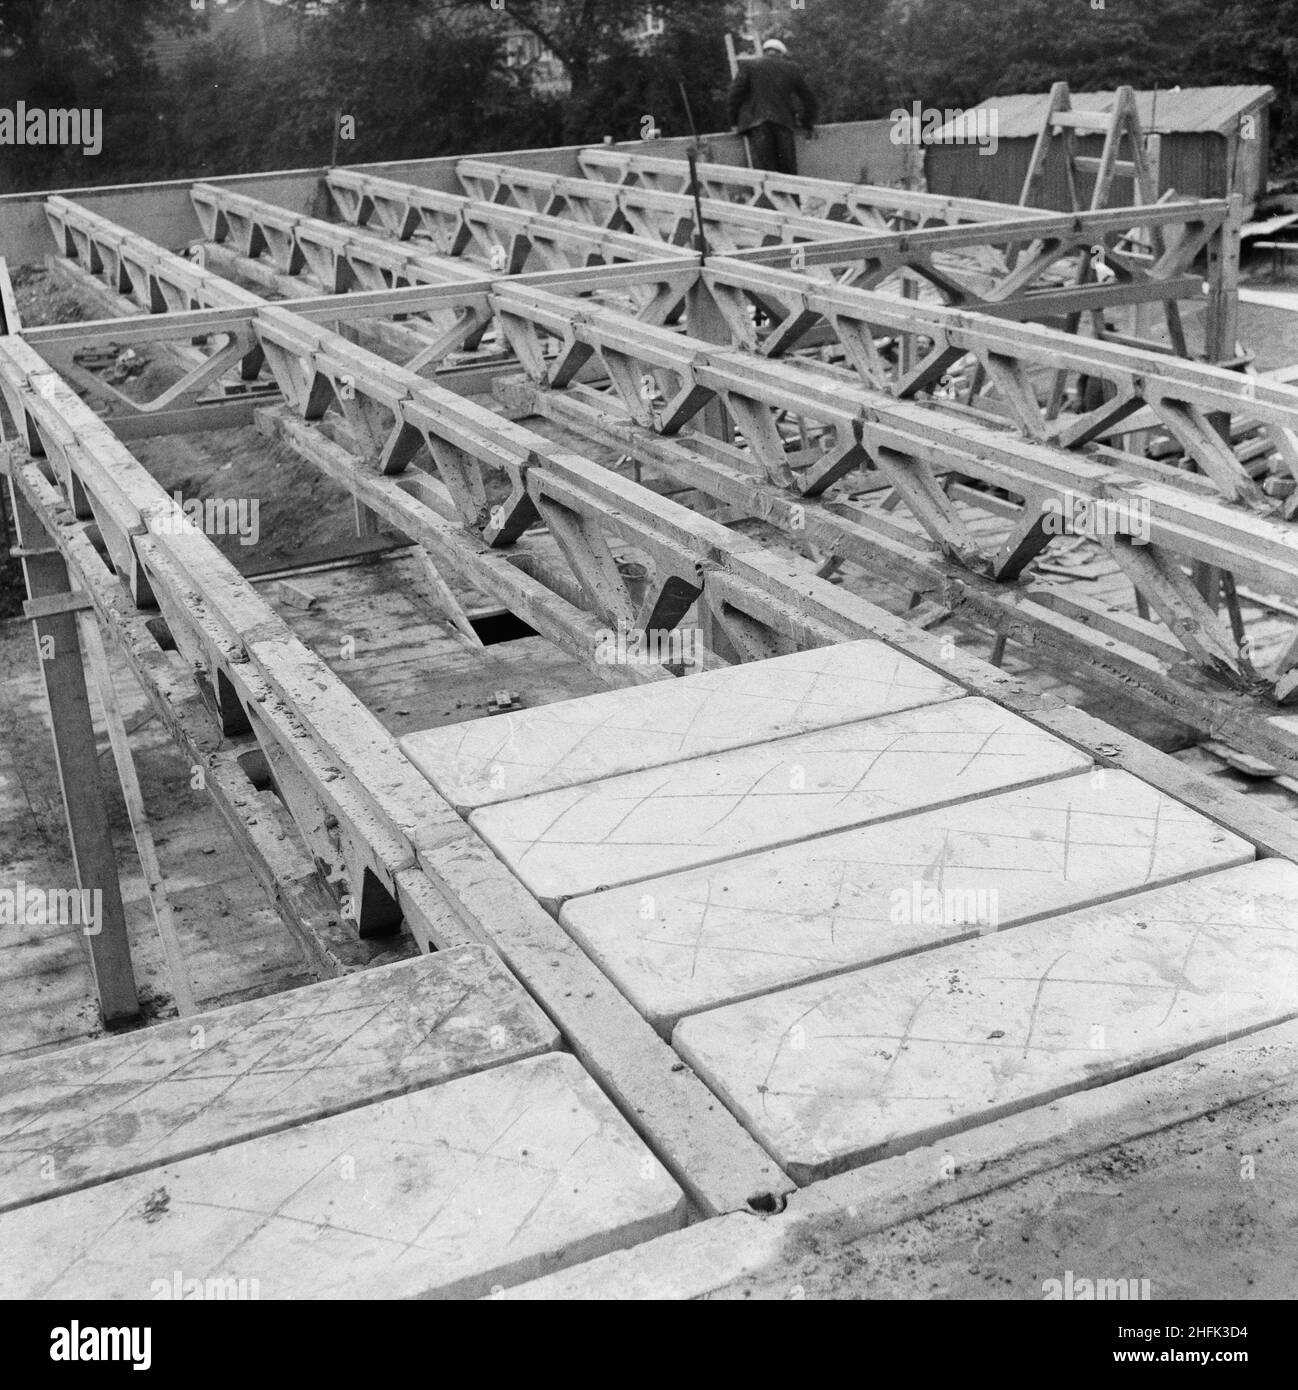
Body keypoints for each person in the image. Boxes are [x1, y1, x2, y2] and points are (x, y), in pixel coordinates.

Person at [727, 36, 819, 175]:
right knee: (788, 172)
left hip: (757, 125)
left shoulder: (749, 66)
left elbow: (734, 96)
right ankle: (791, 196)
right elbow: (809, 99)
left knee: (766, 174)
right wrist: (807, 122)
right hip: (783, 123)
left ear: (764, 51)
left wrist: (734, 122)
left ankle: (769, 196)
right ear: (781, 54)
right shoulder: (792, 68)